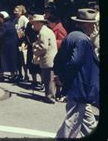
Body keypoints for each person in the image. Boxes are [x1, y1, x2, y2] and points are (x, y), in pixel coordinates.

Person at [54, 8, 99, 138]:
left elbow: (58, 58)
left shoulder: (71, 35)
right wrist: (62, 78)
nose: (94, 28)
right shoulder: (83, 40)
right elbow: (75, 62)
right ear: (86, 24)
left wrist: (59, 75)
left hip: (77, 87)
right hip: (80, 87)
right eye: (93, 25)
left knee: (88, 122)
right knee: (73, 122)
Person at [31, 14, 57, 104]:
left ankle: (50, 97)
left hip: (47, 59)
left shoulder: (43, 32)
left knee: (48, 79)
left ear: (38, 23)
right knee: (49, 78)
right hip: (50, 58)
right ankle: (50, 95)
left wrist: (35, 52)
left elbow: (43, 47)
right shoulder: (46, 30)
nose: (33, 25)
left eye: (34, 23)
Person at [0, 11, 18, 82]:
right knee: (11, 60)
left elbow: (0, 35)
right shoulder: (11, 24)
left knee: (2, 60)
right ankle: (13, 75)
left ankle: (1, 75)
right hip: (12, 45)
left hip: (5, 45)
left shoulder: (4, 25)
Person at [14, 5, 29, 81]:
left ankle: (26, 74)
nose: (15, 12)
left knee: (23, 59)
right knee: (18, 59)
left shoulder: (24, 19)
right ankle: (20, 74)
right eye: (15, 11)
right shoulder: (16, 19)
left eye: (17, 11)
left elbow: (27, 28)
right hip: (17, 41)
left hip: (23, 42)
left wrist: (22, 34)